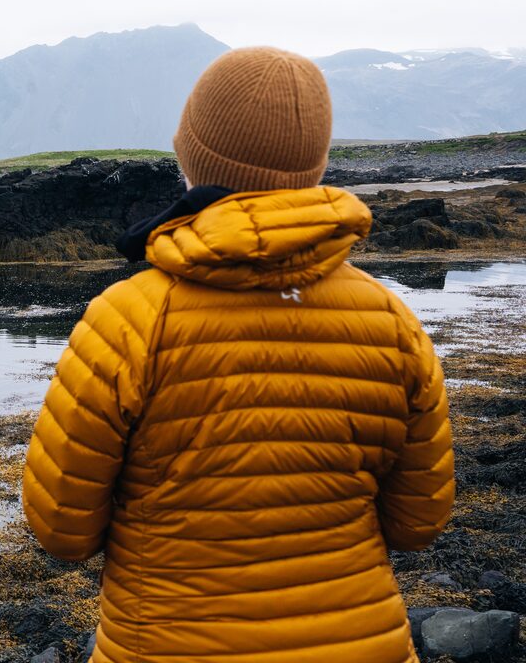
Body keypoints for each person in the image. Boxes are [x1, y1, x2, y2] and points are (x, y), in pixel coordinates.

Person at [22, 47, 453, 663]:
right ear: (315, 166)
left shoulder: (129, 319)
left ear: (189, 156)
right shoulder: (390, 321)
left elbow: (62, 529)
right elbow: (419, 523)